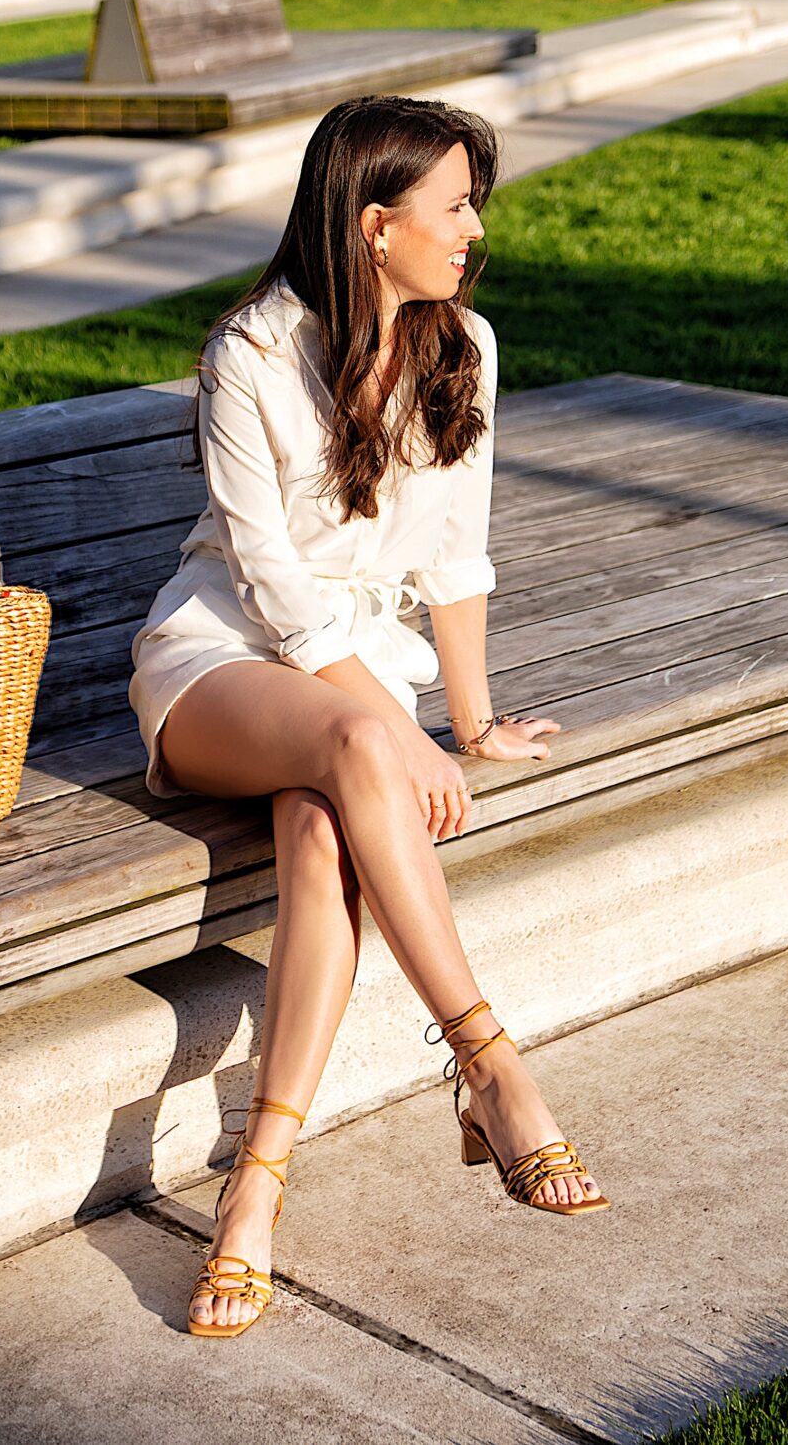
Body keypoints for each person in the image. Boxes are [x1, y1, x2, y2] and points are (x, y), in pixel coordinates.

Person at [129, 94, 608, 1341]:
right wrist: (392, 731)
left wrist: (472, 717)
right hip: (217, 665)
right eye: (454, 207)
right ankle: (491, 1061)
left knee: (324, 842)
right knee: (351, 751)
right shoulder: (250, 353)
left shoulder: (468, 347)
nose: (475, 230)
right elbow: (272, 588)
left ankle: (254, 1191)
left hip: (351, 684)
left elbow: (457, 553)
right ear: (374, 221)